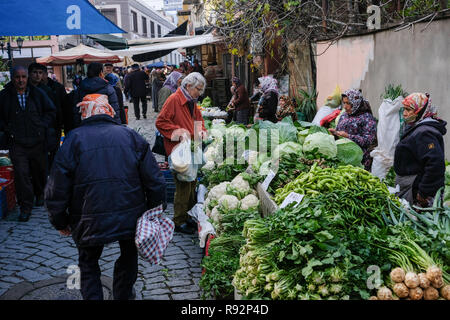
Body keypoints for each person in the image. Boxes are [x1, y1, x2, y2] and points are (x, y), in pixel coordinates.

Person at [44, 93, 166, 300]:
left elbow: (56, 187)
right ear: (109, 111)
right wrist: (154, 210)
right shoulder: (131, 136)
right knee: (128, 257)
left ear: (85, 114)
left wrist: (59, 220)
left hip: (87, 217)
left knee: (88, 262)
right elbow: (155, 180)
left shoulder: (73, 139)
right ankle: (123, 294)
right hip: (130, 214)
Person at [0, 66, 56, 221]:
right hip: (17, 142)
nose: (21, 80)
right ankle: (25, 207)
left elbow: (51, 111)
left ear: (27, 78)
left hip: (37, 141)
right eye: (17, 77)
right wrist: (7, 129)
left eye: (23, 77)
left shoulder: (38, 94)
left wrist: (42, 125)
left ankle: (39, 193)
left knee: (39, 170)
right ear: (12, 78)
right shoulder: (4, 96)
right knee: (21, 174)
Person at [155, 72, 208, 234]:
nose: (199, 93)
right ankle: (178, 220)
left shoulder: (192, 101)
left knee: (192, 184)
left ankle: (188, 215)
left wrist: (203, 132)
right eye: (198, 89)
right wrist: (179, 132)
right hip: (178, 150)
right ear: (188, 86)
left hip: (191, 148)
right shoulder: (174, 100)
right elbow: (161, 122)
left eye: (201, 90)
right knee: (183, 185)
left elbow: (199, 120)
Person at [393, 92, 446, 208]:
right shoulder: (417, 127)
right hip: (410, 185)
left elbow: (435, 164)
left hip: (415, 187)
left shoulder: (425, 133)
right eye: (404, 109)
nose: (405, 113)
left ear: (420, 111)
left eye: (408, 110)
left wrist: (423, 193)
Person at [328, 88, 377, 171]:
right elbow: (339, 133)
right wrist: (335, 133)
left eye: (348, 103)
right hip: (343, 159)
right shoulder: (344, 116)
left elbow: (368, 140)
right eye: (344, 103)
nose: (345, 106)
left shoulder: (367, 118)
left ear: (356, 103)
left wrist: (348, 136)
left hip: (360, 161)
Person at [71, 62, 121, 128]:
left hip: (85, 125)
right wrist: (117, 125)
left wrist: (77, 126)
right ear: (101, 73)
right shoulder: (108, 88)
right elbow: (115, 110)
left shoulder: (80, 88)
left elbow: (76, 111)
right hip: (107, 125)